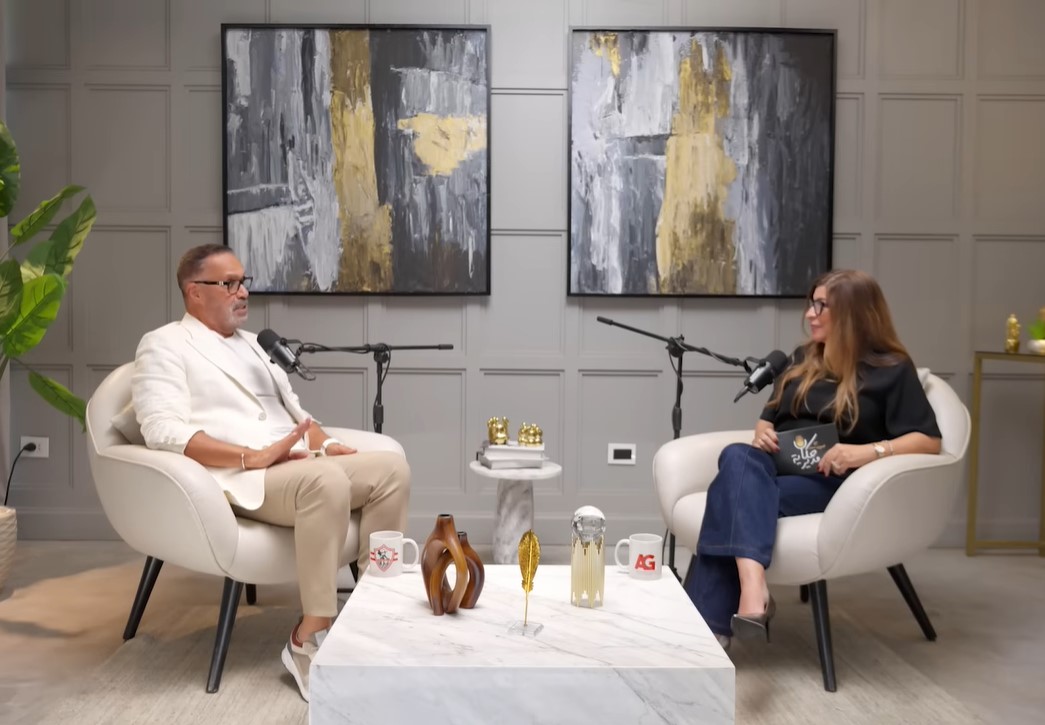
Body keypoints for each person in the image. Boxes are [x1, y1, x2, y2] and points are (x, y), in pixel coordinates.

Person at [131, 244, 410, 701]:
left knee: (391, 469)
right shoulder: (163, 344)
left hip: (297, 465)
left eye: (244, 282)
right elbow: (161, 431)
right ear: (194, 292)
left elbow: (297, 414)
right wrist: (250, 457)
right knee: (327, 480)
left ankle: (372, 615)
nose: (243, 292)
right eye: (229, 284)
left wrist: (326, 444)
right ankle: (308, 637)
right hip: (243, 476)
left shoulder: (254, 345)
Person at [683, 269, 941, 648]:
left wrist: (866, 452)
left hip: (833, 483)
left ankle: (707, 634)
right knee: (736, 454)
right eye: (812, 303)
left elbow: (929, 440)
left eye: (822, 306)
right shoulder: (802, 357)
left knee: (730, 499)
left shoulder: (891, 369)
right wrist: (762, 431)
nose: (810, 314)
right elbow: (768, 416)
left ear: (853, 312)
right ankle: (754, 588)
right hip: (775, 469)